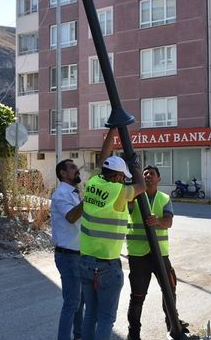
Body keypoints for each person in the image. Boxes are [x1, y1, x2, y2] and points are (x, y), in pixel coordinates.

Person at [79, 128, 145, 340]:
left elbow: (103, 158)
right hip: (107, 264)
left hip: (86, 260)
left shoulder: (93, 182)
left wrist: (112, 132)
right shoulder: (119, 191)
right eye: (122, 177)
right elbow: (142, 185)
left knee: (90, 314)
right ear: (117, 176)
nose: (123, 180)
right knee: (106, 318)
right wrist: (135, 166)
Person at [125, 165, 187, 340]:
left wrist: (158, 221)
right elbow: (126, 210)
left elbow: (168, 222)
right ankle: (133, 334)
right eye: (145, 174)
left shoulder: (164, 198)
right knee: (137, 296)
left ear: (158, 179)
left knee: (170, 290)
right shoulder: (135, 197)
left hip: (160, 254)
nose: (148, 176)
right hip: (138, 255)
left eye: (152, 174)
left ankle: (173, 327)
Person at [50, 158, 85, 340]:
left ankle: (79, 336)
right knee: (72, 303)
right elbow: (71, 217)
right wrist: (88, 201)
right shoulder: (60, 194)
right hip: (68, 256)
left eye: (76, 167)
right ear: (62, 173)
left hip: (80, 255)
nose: (77, 169)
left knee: (80, 301)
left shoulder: (74, 193)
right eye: (72, 167)